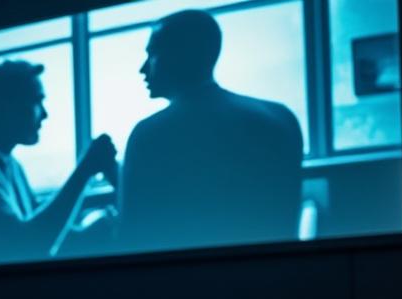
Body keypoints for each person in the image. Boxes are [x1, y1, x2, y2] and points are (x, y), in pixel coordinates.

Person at [116, 10, 303, 253]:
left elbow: (134, 235)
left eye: (153, 54)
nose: (143, 68)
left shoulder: (148, 135)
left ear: (181, 55)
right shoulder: (281, 118)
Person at [0, 60, 117, 267]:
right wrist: (84, 171)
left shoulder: (7, 163)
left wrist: (90, 230)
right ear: (6, 107)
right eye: (37, 101)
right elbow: (26, 247)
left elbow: (42, 228)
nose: (45, 114)